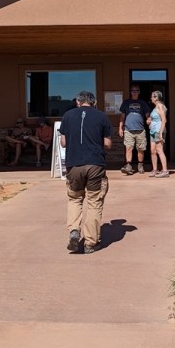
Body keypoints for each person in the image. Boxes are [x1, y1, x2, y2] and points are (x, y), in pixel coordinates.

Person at [60, 90, 112, 254]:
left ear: (78, 102)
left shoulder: (68, 116)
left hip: (74, 165)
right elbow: (108, 143)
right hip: (95, 164)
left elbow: (63, 142)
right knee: (94, 202)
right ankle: (90, 242)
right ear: (94, 102)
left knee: (75, 199)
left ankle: (74, 230)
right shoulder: (102, 116)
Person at [118, 84, 150, 175]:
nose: (134, 92)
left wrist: (149, 119)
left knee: (141, 149)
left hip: (140, 130)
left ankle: (140, 165)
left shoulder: (143, 103)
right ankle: (128, 166)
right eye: (133, 91)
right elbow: (122, 117)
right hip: (128, 130)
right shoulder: (126, 103)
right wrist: (120, 128)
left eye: (136, 91)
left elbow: (147, 115)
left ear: (139, 92)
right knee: (129, 148)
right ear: (130, 92)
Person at [148, 90, 170, 177]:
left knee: (159, 150)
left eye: (152, 96)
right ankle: (154, 169)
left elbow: (164, 120)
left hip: (158, 131)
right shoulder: (155, 107)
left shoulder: (160, 106)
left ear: (156, 98)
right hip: (153, 131)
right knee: (153, 151)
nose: (151, 98)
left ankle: (165, 171)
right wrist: (150, 121)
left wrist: (161, 133)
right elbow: (154, 119)